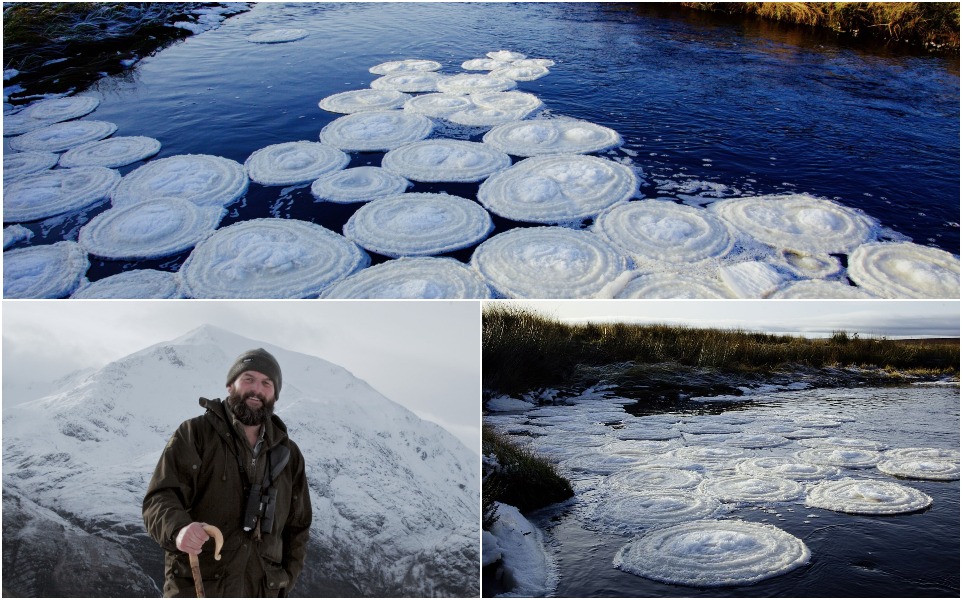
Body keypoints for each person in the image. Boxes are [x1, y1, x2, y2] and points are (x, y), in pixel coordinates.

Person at [143, 348, 312, 597]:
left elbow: (298, 529)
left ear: (275, 394)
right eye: (248, 379)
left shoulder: (289, 455)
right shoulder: (195, 434)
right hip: (199, 588)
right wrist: (179, 530)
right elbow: (159, 498)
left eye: (266, 383)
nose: (257, 389)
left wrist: (284, 583)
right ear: (230, 385)